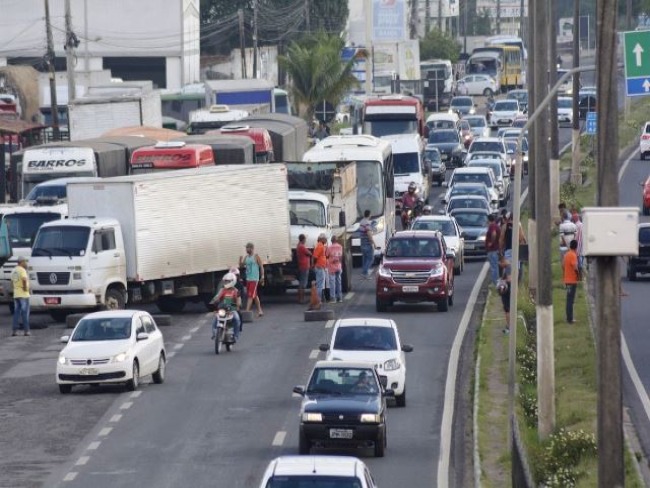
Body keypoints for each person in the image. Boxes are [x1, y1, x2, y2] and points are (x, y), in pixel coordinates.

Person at [209, 272, 242, 341]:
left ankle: (235, 336)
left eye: (228, 281)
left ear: (232, 281)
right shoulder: (222, 290)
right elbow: (217, 298)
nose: (226, 283)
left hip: (232, 310)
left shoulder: (236, 291)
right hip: (222, 310)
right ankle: (214, 333)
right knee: (216, 320)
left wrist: (233, 305)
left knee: (237, 319)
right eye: (225, 281)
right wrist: (213, 301)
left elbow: (239, 303)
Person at [239, 242, 265, 317]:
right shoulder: (246, 257)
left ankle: (247, 311)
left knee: (250, 295)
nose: (246, 249)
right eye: (246, 248)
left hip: (254, 279)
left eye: (248, 248)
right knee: (254, 295)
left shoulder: (256, 256)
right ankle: (260, 310)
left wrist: (262, 276)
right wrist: (240, 260)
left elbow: (261, 266)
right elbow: (241, 266)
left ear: (252, 248)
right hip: (248, 279)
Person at [11, 256, 30, 336]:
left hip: (16, 294)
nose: (25, 263)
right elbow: (24, 279)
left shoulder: (14, 270)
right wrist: (25, 289)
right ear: (21, 262)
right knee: (24, 313)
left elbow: (11, 282)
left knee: (16, 313)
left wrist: (15, 289)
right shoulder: (22, 270)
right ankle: (26, 331)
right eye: (24, 261)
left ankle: (14, 331)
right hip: (23, 294)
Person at [563, 239, 580, 324]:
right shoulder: (573, 255)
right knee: (570, 300)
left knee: (569, 299)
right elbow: (575, 267)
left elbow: (563, 266)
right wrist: (578, 275)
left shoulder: (566, 255)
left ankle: (569, 317)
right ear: (576, 247)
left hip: (567, 279)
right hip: (572, 281)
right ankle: (570, 319)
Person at [359, 209, 377, 279]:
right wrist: (374, 244)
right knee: (371, 259)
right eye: (370, 214)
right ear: (369, 215)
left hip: (362, 243)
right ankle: (364, 272)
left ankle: (365, 274)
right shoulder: (367, 223)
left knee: (365, 259)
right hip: (367, 243)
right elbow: (369, 234)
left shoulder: (362, 221)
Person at [326, 235, 343, 303]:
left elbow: (327, 255)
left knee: (332, 282)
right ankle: (339, 297)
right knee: (338, 282)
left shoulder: (329, 247)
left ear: (331, 241)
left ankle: (333, 298)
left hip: (331, 267)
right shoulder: (340, 247)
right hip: (338, 266)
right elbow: (341, 257)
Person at [485, 214, 501, 286]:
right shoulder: (496, 226)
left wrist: (491, 243)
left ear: (489, 220)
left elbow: (494, 234)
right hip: (495, 249)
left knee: (494, 267)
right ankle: (496, 282)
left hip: (493, 250)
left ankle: (495, 283)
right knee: (495, 266)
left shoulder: (492, 226)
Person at [498, 255, 512, 334]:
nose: (499, 264)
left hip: (507, 290)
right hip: (507, 290)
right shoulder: (506, 267)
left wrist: (502, 281)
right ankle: (508, 325)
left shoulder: (508, 268)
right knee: (507, 309)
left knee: (507, 309)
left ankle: (509, 326)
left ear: (503, 261)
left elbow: (510, 279)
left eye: (500, 263)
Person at [296, 234, 312, 304]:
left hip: (302, 266)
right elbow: (309, 253)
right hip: (304, 266)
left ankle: (301, 299)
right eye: (305, 239)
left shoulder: (298, 246)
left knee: (301, 283)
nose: (305, 241)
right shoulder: (301, 247)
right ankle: (301, 299)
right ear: (303, 239)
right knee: (303, 284)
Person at [312, 233, 328, 302]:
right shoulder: (320, 246)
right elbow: (315, 257)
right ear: (321, 239)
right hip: (319, 267)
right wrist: (315, 265)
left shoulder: (321, 246)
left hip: (320, 267)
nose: (326, 240)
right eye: (325, 239)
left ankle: (319, 299)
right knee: (320, 285)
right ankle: (318, 300)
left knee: (320, 284)